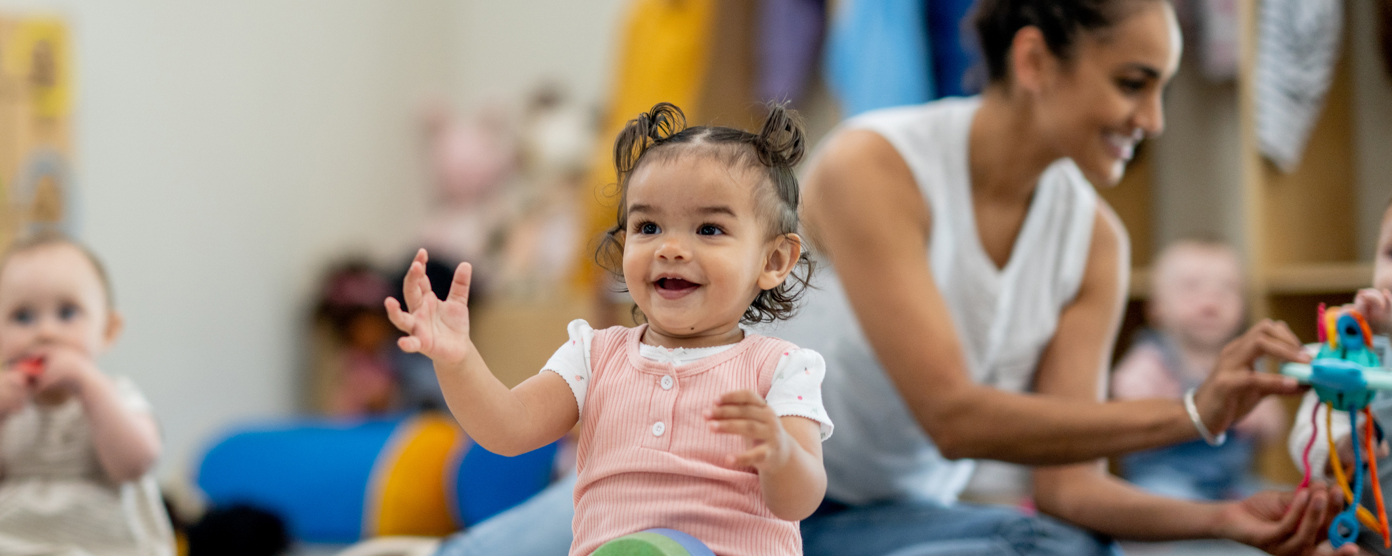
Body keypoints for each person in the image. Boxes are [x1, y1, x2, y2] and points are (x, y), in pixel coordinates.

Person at [433, 0, 1347, 554]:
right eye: (1133, 82)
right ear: (1034, 61)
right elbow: (952, 413)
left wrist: (1229, 520)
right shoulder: (877, 165)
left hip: (861, 517)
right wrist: (1194, 411)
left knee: (1057, 542)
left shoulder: (1094, 242)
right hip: (697, 489)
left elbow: (1071, 486)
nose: (1151, 117)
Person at [389, 103, 833, 556]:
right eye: (649, 226)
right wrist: (456, 359)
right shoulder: (594, 355)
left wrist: (779, 454)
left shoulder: (780, 369)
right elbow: (509, 427)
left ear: (774, 260)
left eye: (709, 229)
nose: (671, 247)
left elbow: (800, 499)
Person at [0, 232, 174, 556]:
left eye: (67, 313)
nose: (45, 332)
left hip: (106, 547)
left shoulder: (116, 394)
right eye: (23, 316)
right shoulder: (8, 403)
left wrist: (90, 385)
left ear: (107, 331)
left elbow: (135, 464)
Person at [1114, 239, 1286, 501]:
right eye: (1191, 288)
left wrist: (1258, 415)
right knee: (1158, 500)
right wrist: (1163, 401)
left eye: (1226, 289)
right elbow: (1124, 398)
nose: (1210, 301)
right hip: (1164, 477)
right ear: (1156, 307)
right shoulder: (1153, 358)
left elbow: (1273, 426)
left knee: (1279, 500)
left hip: (1229, 482)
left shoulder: (1245, 361)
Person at [1289, 199, 1392, 555]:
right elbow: (1304, 436)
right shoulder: (1356, 355)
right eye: (1391, 253)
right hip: (1366, 538)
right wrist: (1345, 445)